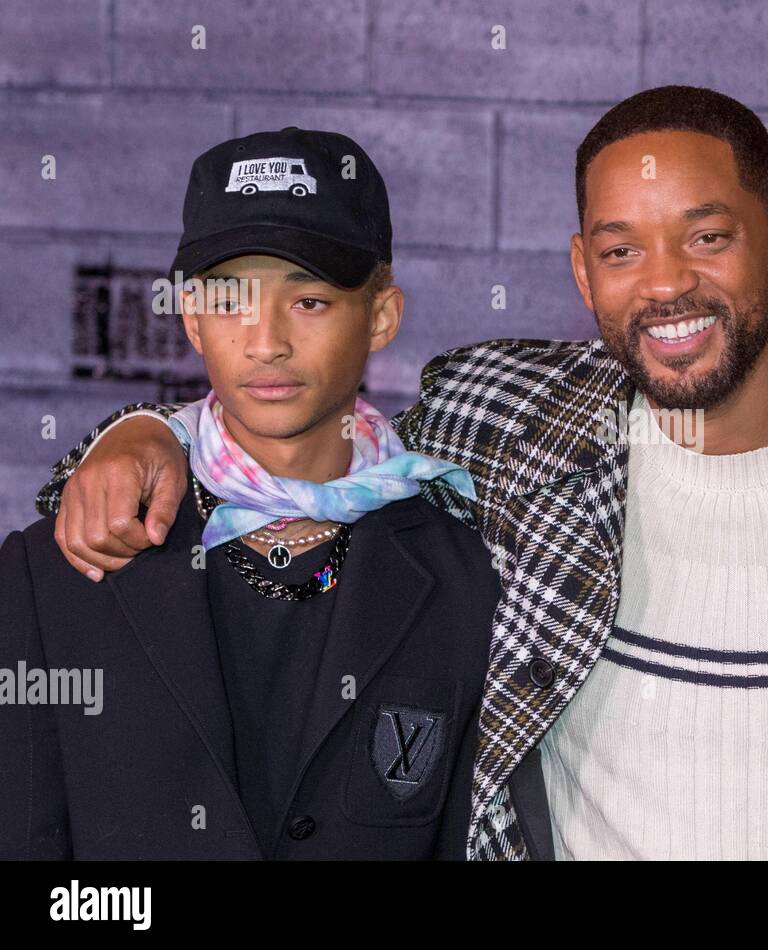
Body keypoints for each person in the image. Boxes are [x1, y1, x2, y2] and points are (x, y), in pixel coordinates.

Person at [32, 87, 768, 860]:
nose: (666, 282)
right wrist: (138, 431)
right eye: (620, 250)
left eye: (708, 237)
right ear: (583, 270)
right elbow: (303, 443)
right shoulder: (513, 428)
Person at [0, 127, 499, 859]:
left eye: (310, 302)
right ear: (193, 320)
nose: (266, 341)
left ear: (382, 316)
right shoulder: (57, 572)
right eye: (232, 302)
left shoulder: (468, 577)